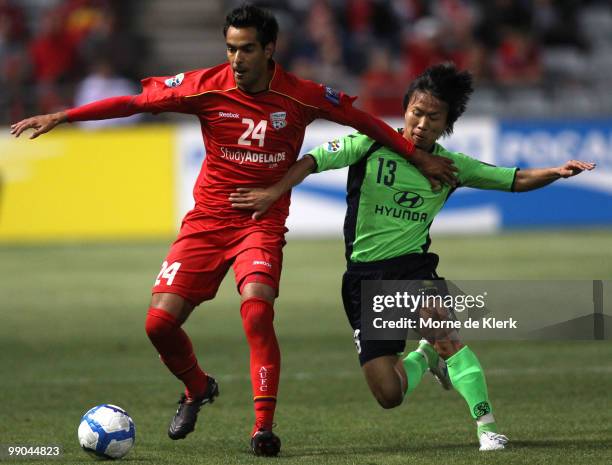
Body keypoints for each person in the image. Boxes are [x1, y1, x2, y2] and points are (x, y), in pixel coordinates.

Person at [9, 4, 458, 457]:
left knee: (257, 311)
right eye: (230, 49)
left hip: (260, 224)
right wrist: (64, 117)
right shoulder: (204, 87)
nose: (236, 60)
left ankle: (263, 428)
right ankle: (197, 387)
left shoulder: (302, 95)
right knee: (159, 324)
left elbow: (367, 123)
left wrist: (418, 156)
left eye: (245, 50)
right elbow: (133, 102)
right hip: (207, 222)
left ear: (269, 50)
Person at [228, 63, 595, 451]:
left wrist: (555, 171)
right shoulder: (368, 144)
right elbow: (312, 160)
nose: (421, 123)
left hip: (414, 269)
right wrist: (273, 192)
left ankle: (487, 427)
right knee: (389, 393)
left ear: (447, 123)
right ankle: (423, 358)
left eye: (432, 117)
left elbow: (512, 178)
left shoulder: (452, 167)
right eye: (415, 113)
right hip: (363, 280)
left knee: (444, 332)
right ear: (404, 110)